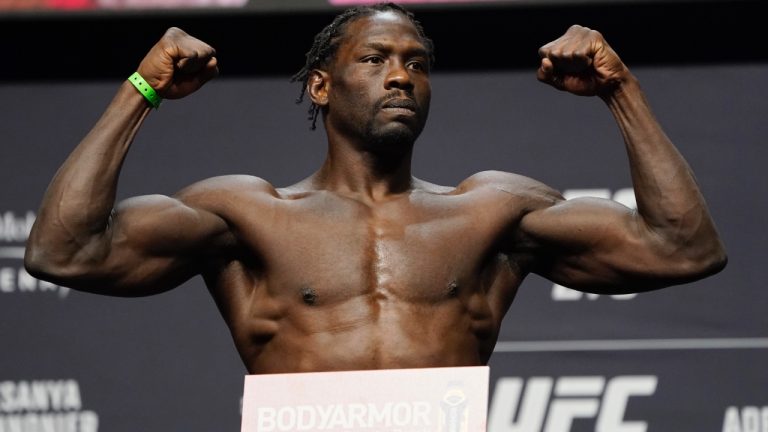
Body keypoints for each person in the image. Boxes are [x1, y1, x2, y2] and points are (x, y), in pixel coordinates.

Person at [25, 2, 726, 374]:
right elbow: (66, 252)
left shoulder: (490, 212)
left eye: (417, 64)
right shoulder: (246, 215)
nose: (401, 77)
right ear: (322, 86)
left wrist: (619, 89)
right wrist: (141, 87)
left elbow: (682, 249)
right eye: (376, 59)